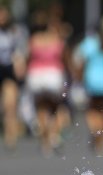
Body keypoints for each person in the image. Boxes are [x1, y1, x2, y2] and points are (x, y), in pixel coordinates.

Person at [25, 10, 69, 156]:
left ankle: (45, 143)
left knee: (41, 109)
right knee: (57, 107)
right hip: (53, 76)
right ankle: (54, 135)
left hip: (35, 76)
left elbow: (28, 58)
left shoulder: (34, 40)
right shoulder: (56, 40)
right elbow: (65, 59)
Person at [75, 16, 103, 155]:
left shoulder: (89, 43)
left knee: (92, 109)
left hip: (91, 81)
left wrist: (79, 79)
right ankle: (101, 139)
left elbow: (80, 61)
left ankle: (95, 131)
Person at [0, 4, 27, 150]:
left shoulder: (13, 32)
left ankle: (11, 137)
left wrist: (19, 64)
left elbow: (18, 51)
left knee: (10, 105)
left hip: (7, 70)